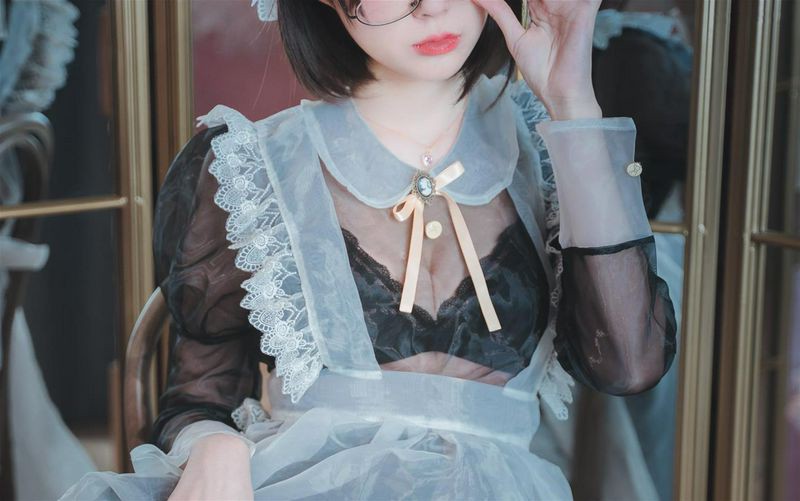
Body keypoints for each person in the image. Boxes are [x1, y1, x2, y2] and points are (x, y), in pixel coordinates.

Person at [59, 0, 677, 499]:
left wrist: (572, 102)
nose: (432, 8)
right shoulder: (250, 166)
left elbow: (629, 365)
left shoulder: (555, 153)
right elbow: (197, 398)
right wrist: (215, 446)